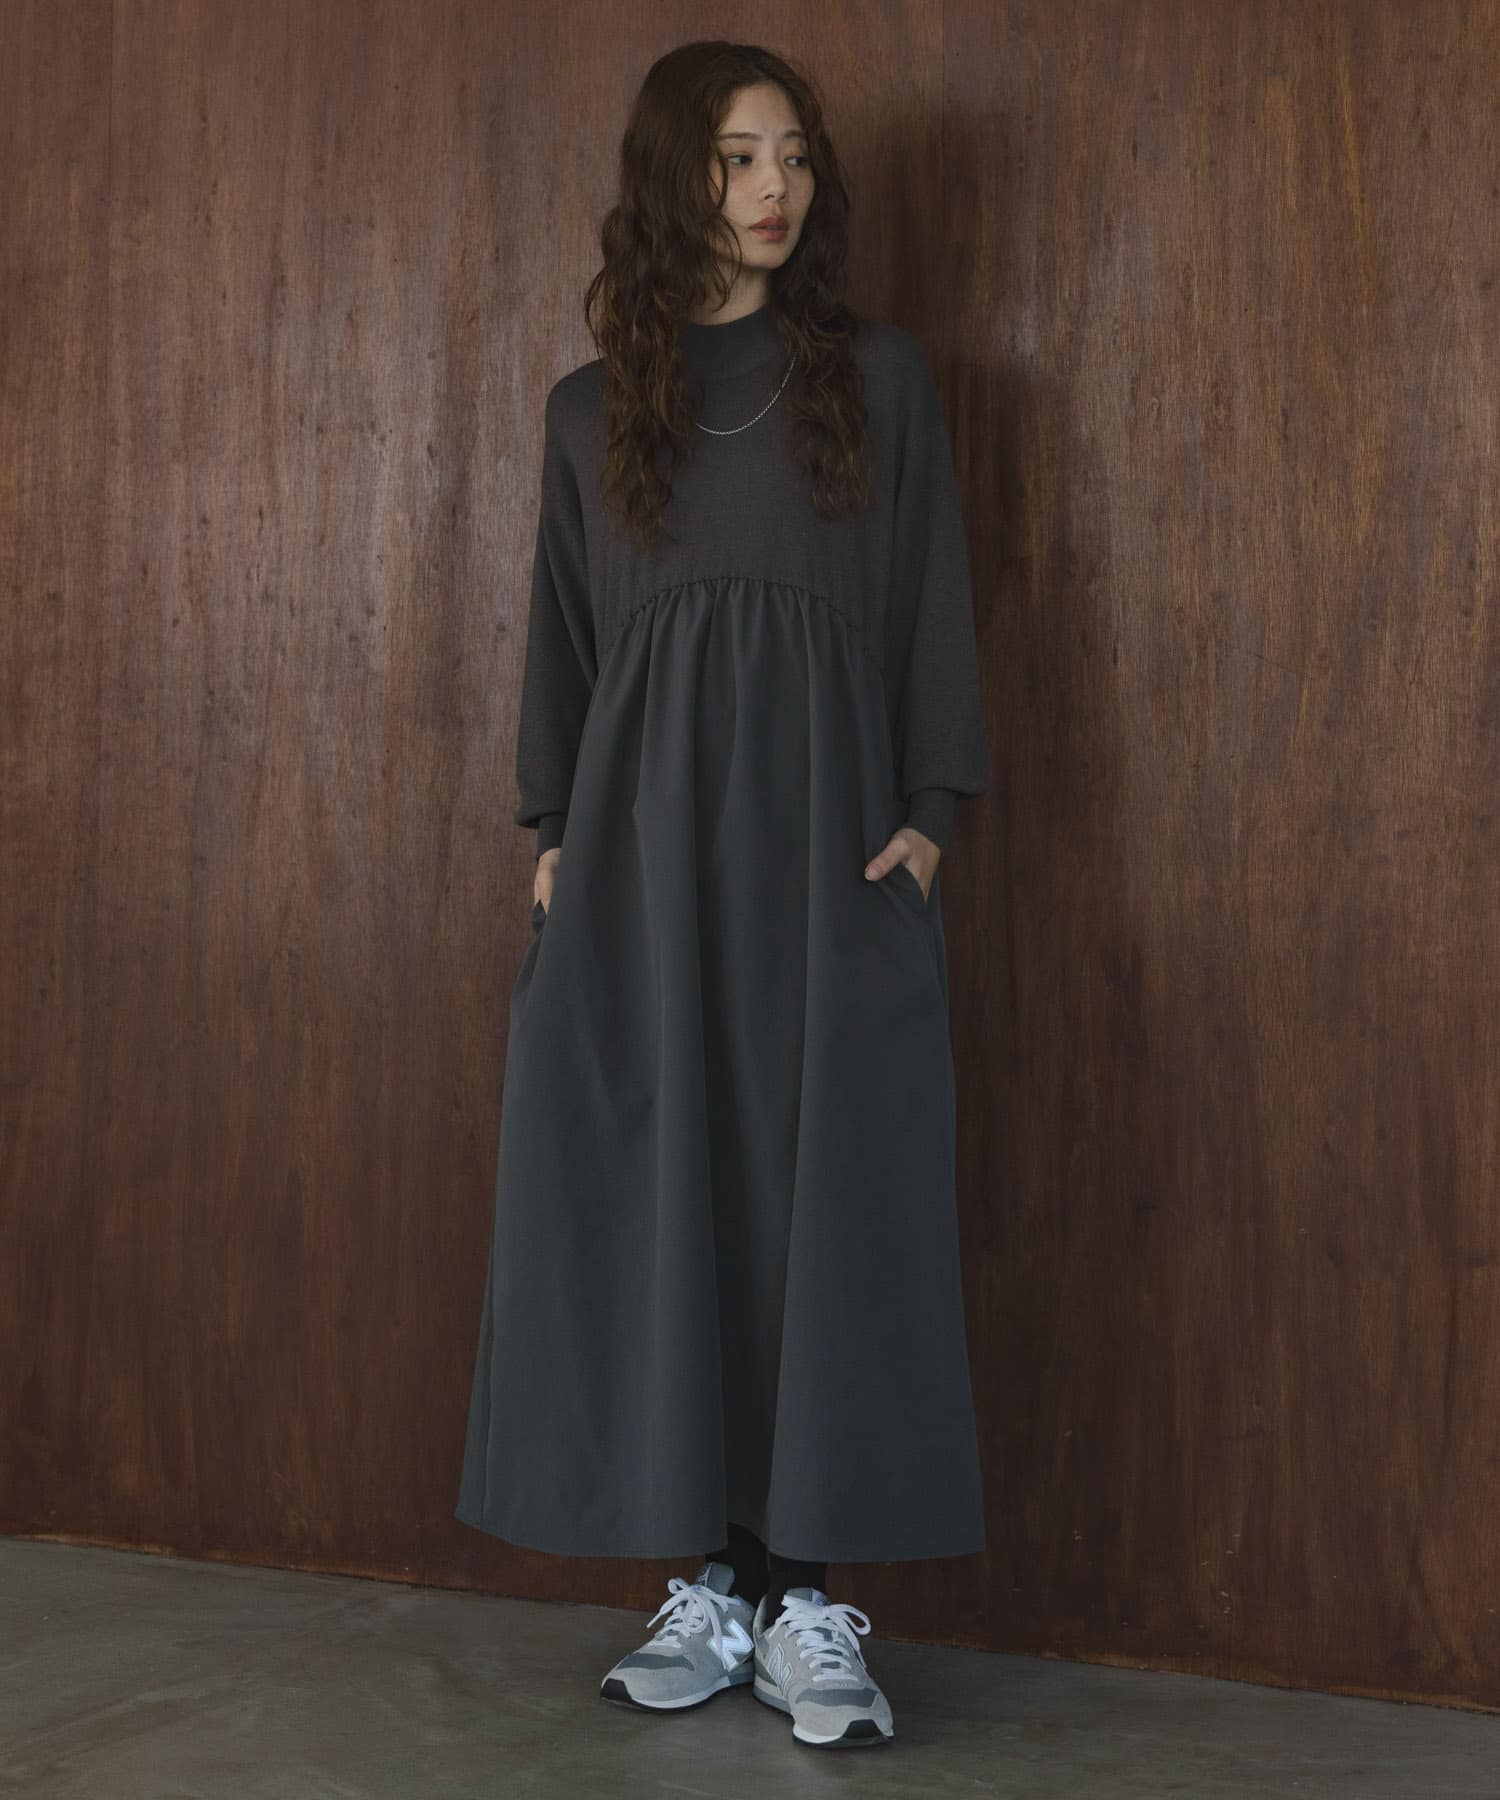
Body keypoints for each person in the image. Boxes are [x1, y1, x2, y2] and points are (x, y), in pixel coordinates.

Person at [456, 40, 990, 1751]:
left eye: (796, 156)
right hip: (645, 864)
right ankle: (712, 1584)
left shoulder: (876, 382)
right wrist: (555, 831)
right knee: (667, 1195)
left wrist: (929, 817)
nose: (776, 188)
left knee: (823, 1204)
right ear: (674, 175)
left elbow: (931, 600)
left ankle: (809, 1600)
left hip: (829, 856)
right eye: (741, 155)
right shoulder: (588, 408)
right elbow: (564, 638)